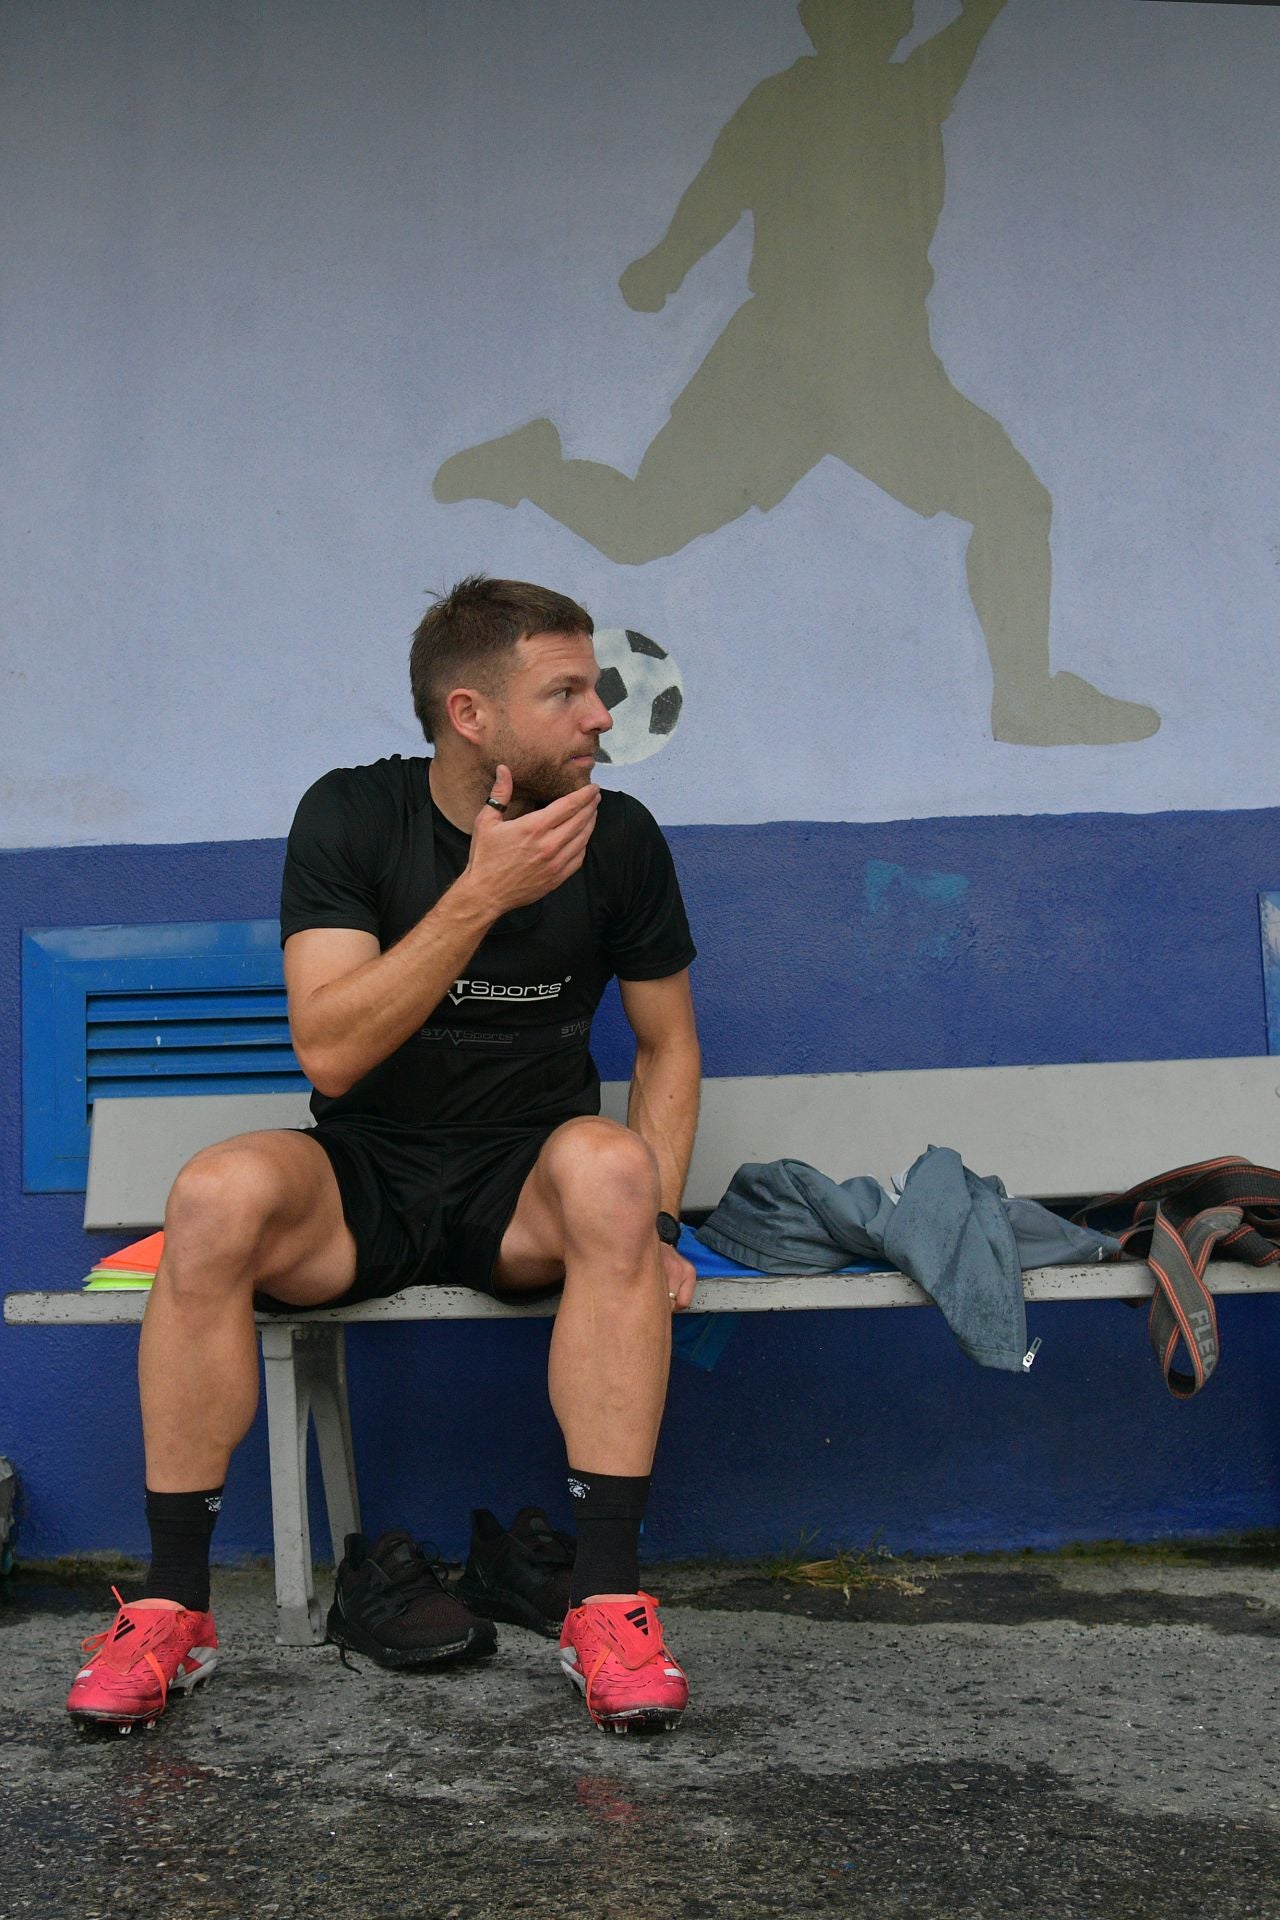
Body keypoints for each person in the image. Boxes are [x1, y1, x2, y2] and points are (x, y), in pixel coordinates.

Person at [67, 575, 701, 1737]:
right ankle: (170, 1609)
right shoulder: (352, 816)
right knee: (212, 1195)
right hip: (369, 1170)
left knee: (614, 1171)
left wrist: (654, 1227)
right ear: (471, 715)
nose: (599, 715)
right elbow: (332, 1049)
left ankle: (606, 1602)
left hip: (528, 1185)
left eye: (594, 691)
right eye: (565, 692)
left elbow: (666, 1048)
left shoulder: (623, 840)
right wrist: (479, 894)